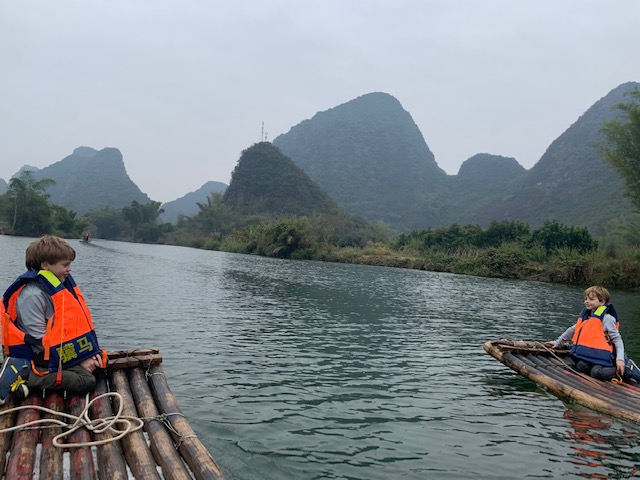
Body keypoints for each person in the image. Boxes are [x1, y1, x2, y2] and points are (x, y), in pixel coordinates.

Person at [0, 235, 107, 405]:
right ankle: (26, 376)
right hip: (36, 356)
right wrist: (79, 360)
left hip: (55, 351)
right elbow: (39, 342)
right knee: (86, 380)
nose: (69, 269)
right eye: (65, 265)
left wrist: (88, 354)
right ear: (45, 265)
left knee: (99, 365)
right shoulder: (32, 296)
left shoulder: (57, 288)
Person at [546, 285, 639, 383]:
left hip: (605, 357)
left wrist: (620, 359)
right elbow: (572, 330)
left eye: (591, 299)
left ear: (602, 302)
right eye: (586, 299)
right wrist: (558, 342)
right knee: (581, 366)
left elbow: (617, 340)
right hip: (591, 356)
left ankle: (626, 370)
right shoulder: (588, 317)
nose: (586, 301)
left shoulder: (608, 319)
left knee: (596, 373)